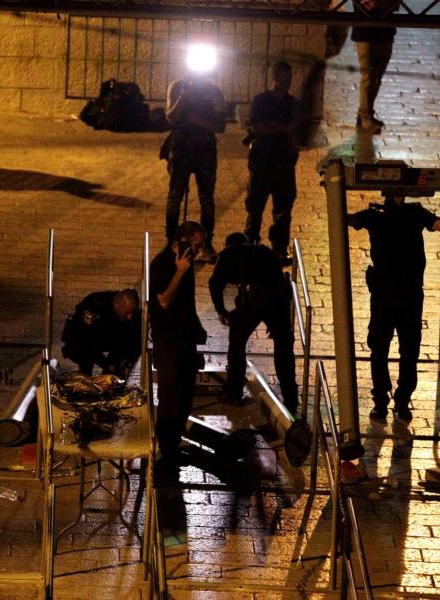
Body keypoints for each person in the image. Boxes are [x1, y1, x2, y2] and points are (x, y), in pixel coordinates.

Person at [347, 195, 440, 424]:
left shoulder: (399, 214)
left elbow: (439, 224)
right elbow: (438, 225)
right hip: (395, 293)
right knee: (392, 348)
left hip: (395, 293)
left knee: (395, 349)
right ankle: (390, 400)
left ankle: (391, 401)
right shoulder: (391, 214)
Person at [209, 232, 298, 413]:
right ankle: (291, 398)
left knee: (237, 344)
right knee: (283, 347)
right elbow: (280, 281)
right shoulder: (264, 251)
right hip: (276, 300)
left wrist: (221, 310)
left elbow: (214, 284)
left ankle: (233, 392)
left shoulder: (227, 255)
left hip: (252, 301)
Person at [149, 221, 207, 471]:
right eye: (196, 244)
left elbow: (187, 302)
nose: (198, 250)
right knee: (170, 396)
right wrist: (180, 272)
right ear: (182, 240)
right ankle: (166, 450)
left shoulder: (187, 264)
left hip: (185, 338)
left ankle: (173, 445)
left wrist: (197, 328)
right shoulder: (163, 264)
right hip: (168, 340)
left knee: (185, 396)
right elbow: (163, 300)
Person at [164, 72, 226, 262]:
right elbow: (171, 117)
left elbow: (220, 126)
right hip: (181, 149)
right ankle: (171, 241)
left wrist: (197, 120)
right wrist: (184, 96)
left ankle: (206, 244)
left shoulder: (214, 92)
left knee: (206, 199)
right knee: (175, 196)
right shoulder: (177, 87)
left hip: (205, 151)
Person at [244, 61, 300, 266]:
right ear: (275, 76)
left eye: (290, 76)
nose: (288, 80)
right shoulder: (261, 100)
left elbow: (296, 131)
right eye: (285, 76)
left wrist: (273, 125)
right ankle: (250, 244)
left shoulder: (292, 104)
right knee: (255, 204)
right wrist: (283, 129)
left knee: (283, 207)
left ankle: (279, 248)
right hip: (262, 159)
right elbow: (256, 127)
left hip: (284, 162)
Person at [61, 289, 142, 378]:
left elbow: (135, 340)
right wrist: (106, 365)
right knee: (86, 363)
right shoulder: (95, 304)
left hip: (104, 338)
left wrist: (122, 364)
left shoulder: (131, 312)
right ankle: (79, 380)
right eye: (127, 313)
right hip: (81, 339)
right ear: (117, 305)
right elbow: (86, 340)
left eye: (132, 313)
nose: (130, 317)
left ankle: (108, 382)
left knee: (114, 371)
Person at [352, 0, 396, 134]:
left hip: (385, 31)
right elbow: (369, 5)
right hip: (365, 31)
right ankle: (365, 117)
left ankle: (365, 113)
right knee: (369, 75)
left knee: (376, 76)